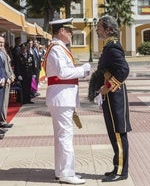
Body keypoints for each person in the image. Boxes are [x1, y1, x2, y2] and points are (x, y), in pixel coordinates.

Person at [44, 18, 91, 184]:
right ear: (61, 31)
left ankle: (62, 171)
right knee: (65, 136)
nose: (71, 33)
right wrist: (83, 70)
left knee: (61, 136)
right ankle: (66, 174)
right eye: (69, 30)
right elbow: (63, 73)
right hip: (61, 97)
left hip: (62, 97)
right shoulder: (57, 48)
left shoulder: (59, 47)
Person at [89, 15, 131, 182]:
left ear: (107, 29)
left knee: (119, 133)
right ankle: (117, 166)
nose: (97, 29)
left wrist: (107, 87)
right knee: (114, 133)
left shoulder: (112, 47)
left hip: (116, 97)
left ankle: (121, 171)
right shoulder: (108, 46)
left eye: (99, 27)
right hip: (111, 96)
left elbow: (123, 70)